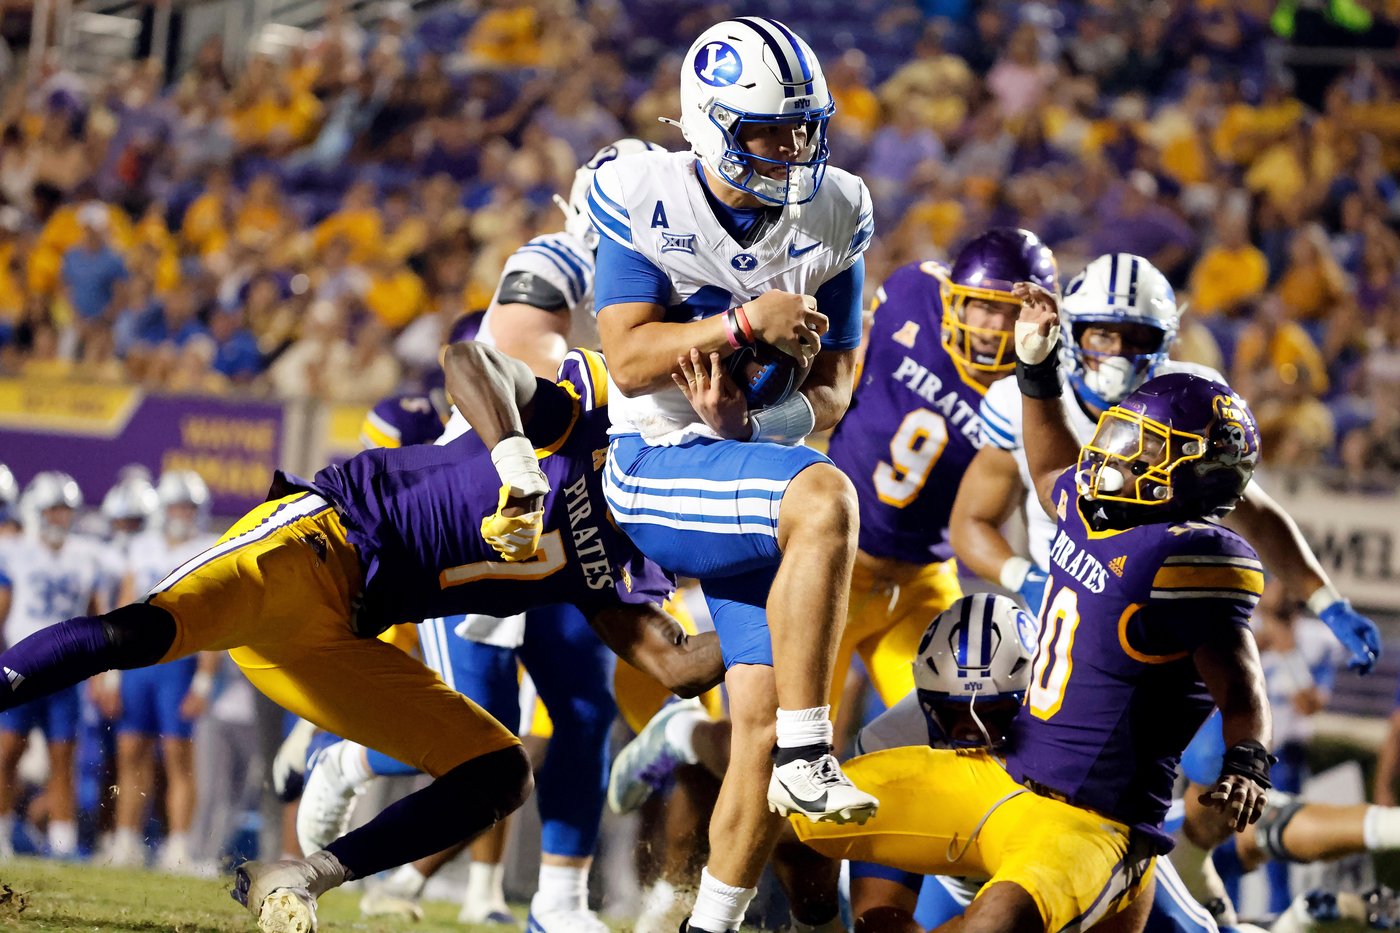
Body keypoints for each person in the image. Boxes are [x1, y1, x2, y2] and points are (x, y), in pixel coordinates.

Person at [0, 340, 724, 933]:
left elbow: (680, 666)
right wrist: (514, 458)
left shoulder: (630, 563)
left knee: (499, 771)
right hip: (320, 542)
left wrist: (779, 615)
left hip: (340, 637)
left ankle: (301, 876)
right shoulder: (588, 421)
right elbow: (467, 359)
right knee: (142, 629)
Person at [608, 227, 1058, 933]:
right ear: (951, 299)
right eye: (980, 306)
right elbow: (831, 389)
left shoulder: (1032, 383)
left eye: (1009, 313)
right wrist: (756, 424)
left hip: (923, 578)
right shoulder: (910, 297)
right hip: (834, 566)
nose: (993, 328)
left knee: (961, 735)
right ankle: (691, 739)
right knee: (775, 746)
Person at [796, 286, 1278, 933]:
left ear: (1200, 474)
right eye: (1125, 435)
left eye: (1146, 445)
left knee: (995, 922)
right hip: (1002, 771)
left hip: (1091, 820)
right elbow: (1049, 459)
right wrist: (1037, 366)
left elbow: (1243, 685)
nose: (1117, 453)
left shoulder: (1191, 558)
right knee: (801, 806)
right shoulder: (1092, 507)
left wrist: (1248, 759)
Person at [947, 253, 1384, 926]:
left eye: (1137, 338)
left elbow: (1254, 520)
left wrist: (1326, 601)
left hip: (1142, 635)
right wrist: (1023, 576)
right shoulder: (1032, 403)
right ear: (1074, 330)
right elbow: (993, 507)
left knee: (1154, 798)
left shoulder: (1188, 407)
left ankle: (1207, 907)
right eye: (1102, 333)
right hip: (1055, 617)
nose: (1118, 353)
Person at [590, 18, 877, 933]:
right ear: (711, 123)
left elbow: (834, 390)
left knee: (755, 723)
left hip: (743, 456)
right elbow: (628, 356)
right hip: (655, 463)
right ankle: (812, 754)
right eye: (769, 131)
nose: (793, 149)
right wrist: (743, 325)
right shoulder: (646, 191)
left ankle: (708, 923)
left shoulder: (836, 209)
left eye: (803, 128)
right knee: (825, 495)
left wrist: (754, 422)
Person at [99, 470, 220, 872]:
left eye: (189, 507)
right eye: (177, 506)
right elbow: (123, 610)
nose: (182, 513)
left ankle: (178, 846)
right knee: (130, 753)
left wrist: (204, 679)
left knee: (177, 759)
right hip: (138, 667)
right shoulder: (142, 546)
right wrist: (111, 672)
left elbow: (215, 621)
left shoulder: (207, 548)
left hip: (179, 666)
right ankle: (126, 841)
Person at [0, 472, 109, 859]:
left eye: (65, 510)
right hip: (21, 666)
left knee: (64, 757)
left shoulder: (86, 554)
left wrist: (104, 674)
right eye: (53, 510)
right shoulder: (14, 549)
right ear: (36, 511)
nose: (61, 518)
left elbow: (98, 618)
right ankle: (1, 834)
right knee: (7, 752)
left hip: (66, 671)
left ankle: (63, 843)